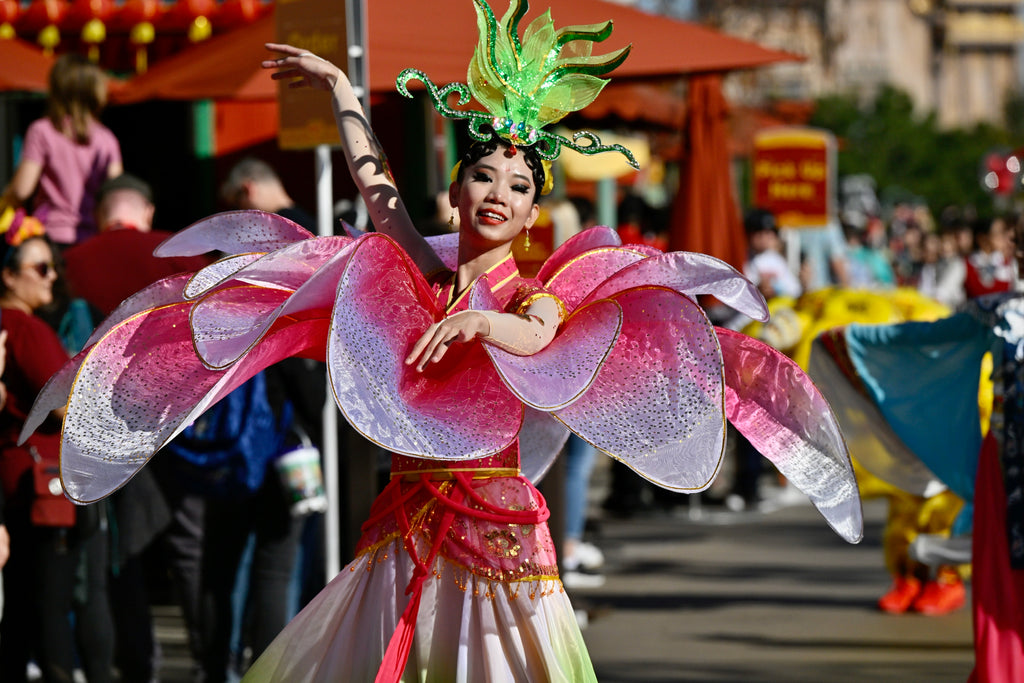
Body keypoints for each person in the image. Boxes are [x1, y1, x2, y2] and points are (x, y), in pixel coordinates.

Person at [32, 3, 862, 681]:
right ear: (458, 189)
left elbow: (541, 334)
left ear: (534, 213)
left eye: (519, 185)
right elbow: (375, 181)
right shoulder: (418, 275)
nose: (499, 193)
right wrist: (341, 93)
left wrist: (480, 321)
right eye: (485, 176)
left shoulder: (534, 295)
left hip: (495, 536)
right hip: (404, 524)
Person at [0, 211, 94, 681]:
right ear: (8, 276)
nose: (53, 275)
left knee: (17, 606)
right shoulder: (27, 328)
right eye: (40, 268)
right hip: (43, 489)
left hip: (12, 480)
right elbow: (64, 407)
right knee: (51, 607)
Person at [1, 53, 122, 248]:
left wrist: (7, 199)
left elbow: (22, 189)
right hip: (93, 240)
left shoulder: (42, 130)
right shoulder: (107, 139)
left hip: (51, 237)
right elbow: (115, 194)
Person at [220, 157, 317, 230]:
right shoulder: (309, 222)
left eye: (236, 203)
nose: (241, 211)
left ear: (248, 190)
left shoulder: (273, 230)